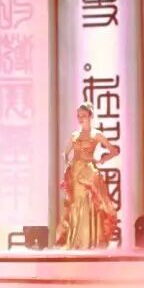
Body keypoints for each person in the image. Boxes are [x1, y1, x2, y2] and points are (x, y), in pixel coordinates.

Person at [55, 102, 119, 249]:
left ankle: (89, 241)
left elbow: (114, 151)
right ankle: (76, 240)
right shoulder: (74, 135)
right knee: (75, 204)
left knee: (88, 204)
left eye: (83, 115)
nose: (80, 118)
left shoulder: (96, 134)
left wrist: (102, 160)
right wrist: (67, 163)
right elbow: (65, 153)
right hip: (75, 172)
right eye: (78, 116)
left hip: (88, 172)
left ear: (90, 116)